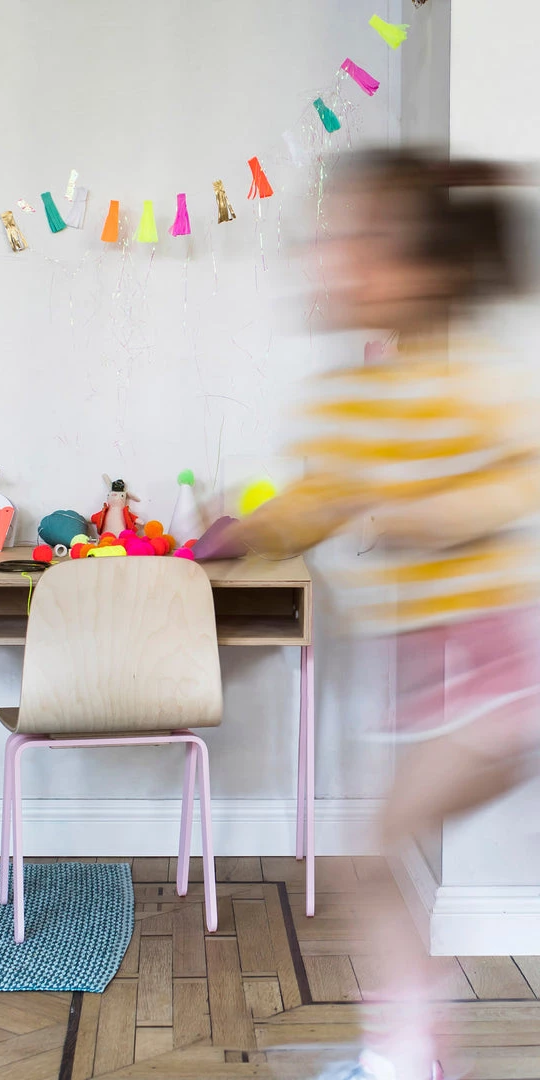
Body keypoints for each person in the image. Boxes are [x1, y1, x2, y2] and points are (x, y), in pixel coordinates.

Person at [209, 150, 540, 1080]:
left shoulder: (470, 377)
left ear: (431, 272)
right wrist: (242, 532)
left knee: (374, 850)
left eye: (368, 242)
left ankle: (406, 1056)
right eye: (335, 237)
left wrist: (434, 514)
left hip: (495, 671)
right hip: (433, 674)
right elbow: (321, 499)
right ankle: (406, 1047)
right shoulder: (348, 401)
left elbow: (526, 472)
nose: (338, 257)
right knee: (374, 855)